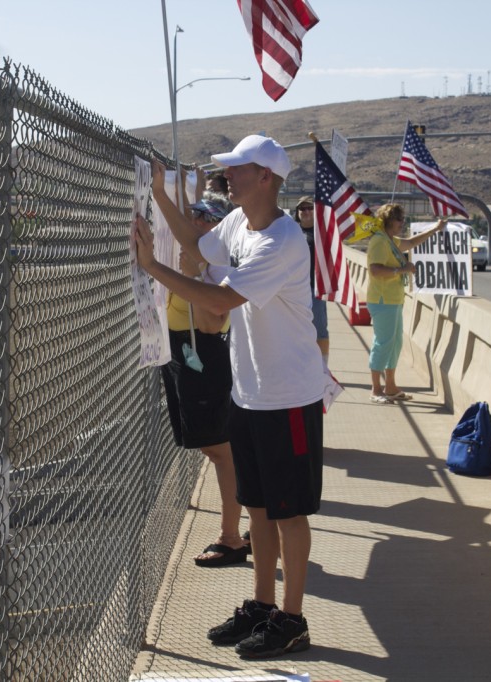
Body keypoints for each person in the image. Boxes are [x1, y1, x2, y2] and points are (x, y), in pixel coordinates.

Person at [133, 134, 324, 660]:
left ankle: (293, 617)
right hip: (251, 393)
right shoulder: (239, 223)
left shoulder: (281, 242)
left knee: (289, 513)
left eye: (238, 170)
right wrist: (161, 198)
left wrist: (152, 266)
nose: (228, 178)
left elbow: (220, 297)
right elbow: (198, 248)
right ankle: (263, 606)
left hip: (288, 397)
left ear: (266, 177)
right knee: (259, 507)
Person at [150, 172, 247, 567]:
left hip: (202, 356)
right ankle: (248, 527)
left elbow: (213, 318)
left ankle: (232, 536)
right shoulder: (198, 258)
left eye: (206, 218)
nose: (196, 222)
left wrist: (189, 277)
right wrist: (167, 191)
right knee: (215, 448)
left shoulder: (214, 268)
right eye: (195, 216)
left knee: (223, 452)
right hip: (185, 356)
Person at [365, 203, 446, 403]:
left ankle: (390, 386)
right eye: (399, 219)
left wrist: (434, 229)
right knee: (383, 343)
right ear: (388, 220)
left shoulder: (390, 241)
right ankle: (376, 389)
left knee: (395, 343)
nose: (402, 223)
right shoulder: (379, 241)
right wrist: (401, 271)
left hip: (394, 299)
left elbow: (410, 243)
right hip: (382, 299)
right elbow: (374, 269)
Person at [294, 196, 329, 365]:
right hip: (294, 292)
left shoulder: (322, 233)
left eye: (310, 208)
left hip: (315, 291)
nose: (306, 211)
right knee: (297, 332)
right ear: (297, 212)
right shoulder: (291, 232)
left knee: (319, 331)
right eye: (303, 209)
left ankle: (323, 367)